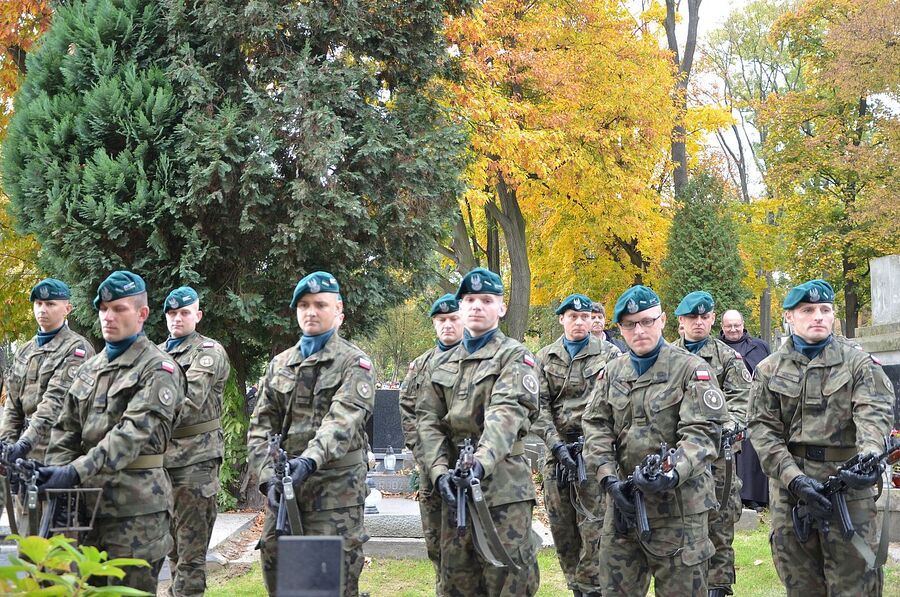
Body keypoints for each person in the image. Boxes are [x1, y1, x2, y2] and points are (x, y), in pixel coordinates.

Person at [749, 279, 894, 596]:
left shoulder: (858, 364)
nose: (818, 316)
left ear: (833, 315)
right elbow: (762, 430)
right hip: (791, 492)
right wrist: (794, 479)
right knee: (801, 585)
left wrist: (869, 454)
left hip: (847, 487)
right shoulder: (768, 369)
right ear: (789, 317)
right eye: (807, 310)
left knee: (856, 582)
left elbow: (873, 412)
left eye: (824, 310)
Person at [42, 271, 183, 592]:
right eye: (103, 309)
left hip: (137, 511)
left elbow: (132, 434)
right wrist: (56, 477)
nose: (108, 317)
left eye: (119, 309)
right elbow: (65, 430)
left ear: (142, 314)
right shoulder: (89, 368)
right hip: (86, 511)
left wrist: (74, 472)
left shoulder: (159, 368)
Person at [582, 285, 727, 596]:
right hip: (624, 504)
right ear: (619, 329)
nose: (640, 330)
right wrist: (608, 480)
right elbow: (595, 428)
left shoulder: (691, 370)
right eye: (631, 324)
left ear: (662, 320)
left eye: (647, 321)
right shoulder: (610, 373)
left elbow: (702, 433)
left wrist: (671, 471)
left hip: (679, 507)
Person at [247, 271, 374, 597]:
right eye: (304, 305)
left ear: (338, 310)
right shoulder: (280, 364)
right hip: (286, 490)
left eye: (320, 304)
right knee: (279, 573)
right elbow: (260, 428)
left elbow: (340, 423)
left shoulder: (354, 363)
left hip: (334, 491)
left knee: (330, 584)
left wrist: (308, 461)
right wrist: (267, 478)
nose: (311, 311)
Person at [416, 267, 541, 596]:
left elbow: (506, 415)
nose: (476, 306)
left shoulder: (515, 357)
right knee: (456, 580)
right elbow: (427, 421)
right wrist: (439, 471)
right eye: (469, 300)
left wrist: (481, 462)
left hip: (502, 490)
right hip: (453, 491)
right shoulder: (439, 364)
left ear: (501, 308)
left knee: (510, 580)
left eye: (487, 300)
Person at [533, 293, 620, 597]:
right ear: (562, 319)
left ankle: (591, 587)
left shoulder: (609, 355)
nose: (580, 322)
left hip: (593, 453)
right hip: (556, 454)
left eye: (585, 317)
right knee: (563, 529)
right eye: (573, 317)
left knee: (595, 528)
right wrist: (556, 446)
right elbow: (537, 407)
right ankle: (576, 587)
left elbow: (613, 406)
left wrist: (595, 445)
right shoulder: (544, 357)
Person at [672, 291, 750, 597]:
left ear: (712, 319)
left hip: (718, 459)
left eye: (705, 317)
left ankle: (718, 587)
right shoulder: (667, 357)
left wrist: (727, 428)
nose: (699, 323)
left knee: (719, 526)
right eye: (692, 317)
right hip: (680, 459)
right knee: (680, 528)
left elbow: (743, 402)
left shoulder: (728, 358)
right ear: (680, 320)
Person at [0, 279, 94, 524]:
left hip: (59, 455)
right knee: (27, 540)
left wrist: (22, 445)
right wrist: (7, 450)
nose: (42, 309)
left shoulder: (77, 349)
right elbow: (12, 406)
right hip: (26, 459)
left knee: (59, 543)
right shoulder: (24, 351)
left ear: (67, 308)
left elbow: (54, 404)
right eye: (38, 303)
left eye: (50, 303)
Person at [159, 286, 231, 597]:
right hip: (161, 462)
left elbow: (190, 402)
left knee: (190, 556)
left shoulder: (208, 352)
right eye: (172, 313)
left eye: (184, 312)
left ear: (197, 316)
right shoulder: (157, 352)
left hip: (195, 463)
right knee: (172, 552)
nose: (177, 318)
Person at [398, 293, 464, 595]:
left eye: (453, 319)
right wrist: (422, 451)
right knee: (435, 538)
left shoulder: (474, 358)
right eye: (441, 320)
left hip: (467, 464)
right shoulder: (420, 365)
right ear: (434, 324)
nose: (447, 325)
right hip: (429, 466)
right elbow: (408, 409)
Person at [719, 309, 770, 510]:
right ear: (722, 327)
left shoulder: (759, 347)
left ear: (743, 324)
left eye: (736, 325)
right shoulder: (718, 348)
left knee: (755, 450)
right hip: (730, 407)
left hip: (757, 406)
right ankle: (739, 496)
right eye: (728, 325)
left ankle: (757, 496)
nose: (733, 329)